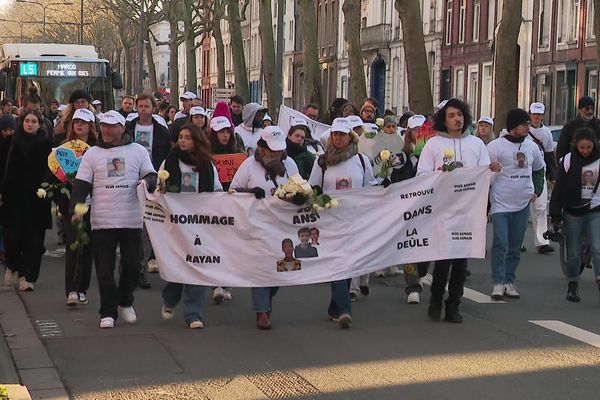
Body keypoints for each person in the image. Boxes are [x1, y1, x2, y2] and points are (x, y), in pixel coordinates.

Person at [417, 98, 501, 323]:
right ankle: (436, 299)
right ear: (444, 120)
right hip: (442, 211)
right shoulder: (434, 145)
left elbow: (486, 178)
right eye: (452, 116)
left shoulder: (476, 144)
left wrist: (493, 171)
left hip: (468, 212)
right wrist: (439, 173)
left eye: (460, 115)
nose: (457, 119)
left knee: (461, 261)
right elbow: (421, 176)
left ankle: (454, 304)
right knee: (444, 258)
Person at [70, 110, 156, 329]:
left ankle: (125, 300)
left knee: (132, 265)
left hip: (131, 219)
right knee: (104, 270)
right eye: (103, 127)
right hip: (103, 220)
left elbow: (150, 174)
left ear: (122, 128)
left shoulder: (138, 151)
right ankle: (108, 311)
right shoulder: (93, 154)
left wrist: (147, 182)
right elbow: (81, 184)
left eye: (111, 126)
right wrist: (77, 208)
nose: (106, 130)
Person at [309, 117, 378, 327]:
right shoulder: (321, 161)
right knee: (337, 262)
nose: (338, 138)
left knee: (347, 263)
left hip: (354, 221)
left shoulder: (362, 161)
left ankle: (335, 306)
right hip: (330, 220)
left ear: (351, 137)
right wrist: (318, 194)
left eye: (342, 134)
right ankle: (344, 309)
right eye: (335, 134)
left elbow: (371, 186)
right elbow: (312, 187)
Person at [230, 126, 300, 329]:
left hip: (282, 225)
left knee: (279, 267)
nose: (275, 154)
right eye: (271, 150)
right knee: (261, 267)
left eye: (278, 150)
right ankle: (261, 311)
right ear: (262, 147)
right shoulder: (249, 165)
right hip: (257, 224)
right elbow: (233, 190)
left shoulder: (289, 164)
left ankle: (267, 298)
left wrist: (296, 195)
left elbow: (298, 186)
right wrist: (250, 191)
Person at [158, 123, 222, 329]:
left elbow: (217, 189)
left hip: (199, 224)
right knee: (178, 265)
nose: (182, 141)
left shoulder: (206, 164)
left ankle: (194, 314)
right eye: (181, 137)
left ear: (197, 141)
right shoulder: (168, 162)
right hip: (176, 223)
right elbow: (159, 189)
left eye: (187, 137)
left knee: (196, 265)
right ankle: (170, 298)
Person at [487, 108, 545, 301]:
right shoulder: (496, 146)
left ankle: (509, 281)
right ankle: (497, 282)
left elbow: (539, 169)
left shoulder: (531, 147)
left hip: (522, 204)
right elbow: (485, 173)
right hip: (501, 203)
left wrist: (536, 190)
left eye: (529, 124)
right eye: (524, 124)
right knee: (501, 243)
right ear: (513, 126)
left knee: (514, 245)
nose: (528, 127)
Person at [0, 109, 52, 291]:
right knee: (12, 237)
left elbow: (51, 168)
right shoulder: (10, 141)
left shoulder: (46, 143)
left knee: (34, 240)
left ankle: (27, 277)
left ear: (39, 124)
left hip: (37, 197)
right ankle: (13, 265)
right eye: (27, 121)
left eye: (34, 121)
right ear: (22, 122)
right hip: (12, 196)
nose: (30, 124)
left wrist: (47, 186)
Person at [126, 93, 172, 284]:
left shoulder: (161, 131)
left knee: (147, 226)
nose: (143, 109)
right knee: (130, 226)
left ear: (154, 108)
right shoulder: (128, 128)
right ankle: (129, 270)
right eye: (140, 106)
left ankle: (142, 268)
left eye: (147, 106)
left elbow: (167, 156)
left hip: (153, 178)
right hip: (129, 179)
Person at [550, 127, 600, 302]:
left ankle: (599, 279)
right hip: (573, 211)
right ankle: (573, 283)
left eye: (588, 147)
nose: (585, 151)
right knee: (573, 253)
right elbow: (559, 188)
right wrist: (555, 213)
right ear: (576, 145)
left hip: (595, 209)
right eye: (582, 148)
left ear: (594, 144)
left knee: (597, 248)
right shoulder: (568, 161)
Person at [54, 108, 97, 306]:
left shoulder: (98, 149)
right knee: (73, 245)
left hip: (96, 204)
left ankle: (82, 289)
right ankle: (70, 290)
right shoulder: (64, 147)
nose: (79, 125)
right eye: (76, 122)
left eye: (83, 122)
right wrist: (65, 188)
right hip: (72, 204)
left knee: (87, 247)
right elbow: (54, 176)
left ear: (91, 126)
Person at [526, 102, 557, 254]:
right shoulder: (524, 130)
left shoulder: (546, 133)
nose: (537, 117)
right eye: (534, 114)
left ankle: (542, 241)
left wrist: (553, 175)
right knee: (520, 208)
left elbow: (550, 155)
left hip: (540, 173)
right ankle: (517, 242)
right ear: (529, 114)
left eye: (539, 114)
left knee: (540, 207)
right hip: (524, 173)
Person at [556, 96, 600, 161]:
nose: (590, 111)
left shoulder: (598, 125)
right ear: (580, 109)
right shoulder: (570, 126)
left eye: (592, 108)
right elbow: (562, 148)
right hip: (574, 164)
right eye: (587, 108)